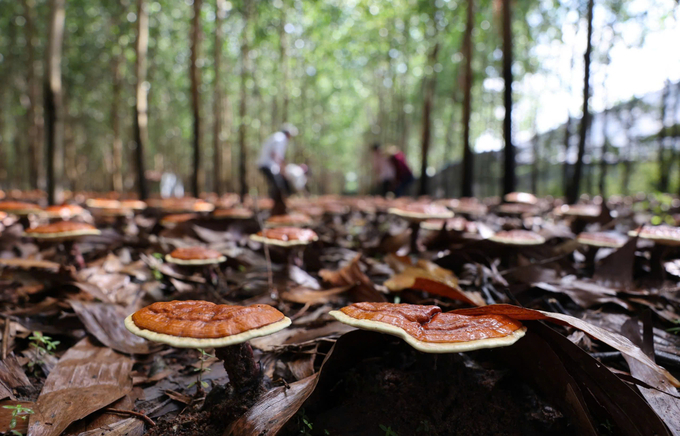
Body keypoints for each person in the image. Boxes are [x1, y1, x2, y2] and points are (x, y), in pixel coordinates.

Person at [258, 124, 298, 215]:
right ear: (288, 134)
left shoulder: (276, 137)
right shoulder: (281, 138)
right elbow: (275, 154)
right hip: (268, 165)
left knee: (277, 186)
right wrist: (282, 168)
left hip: (267, 165)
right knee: (279, 186)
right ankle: (276, 209)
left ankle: (277, 208)